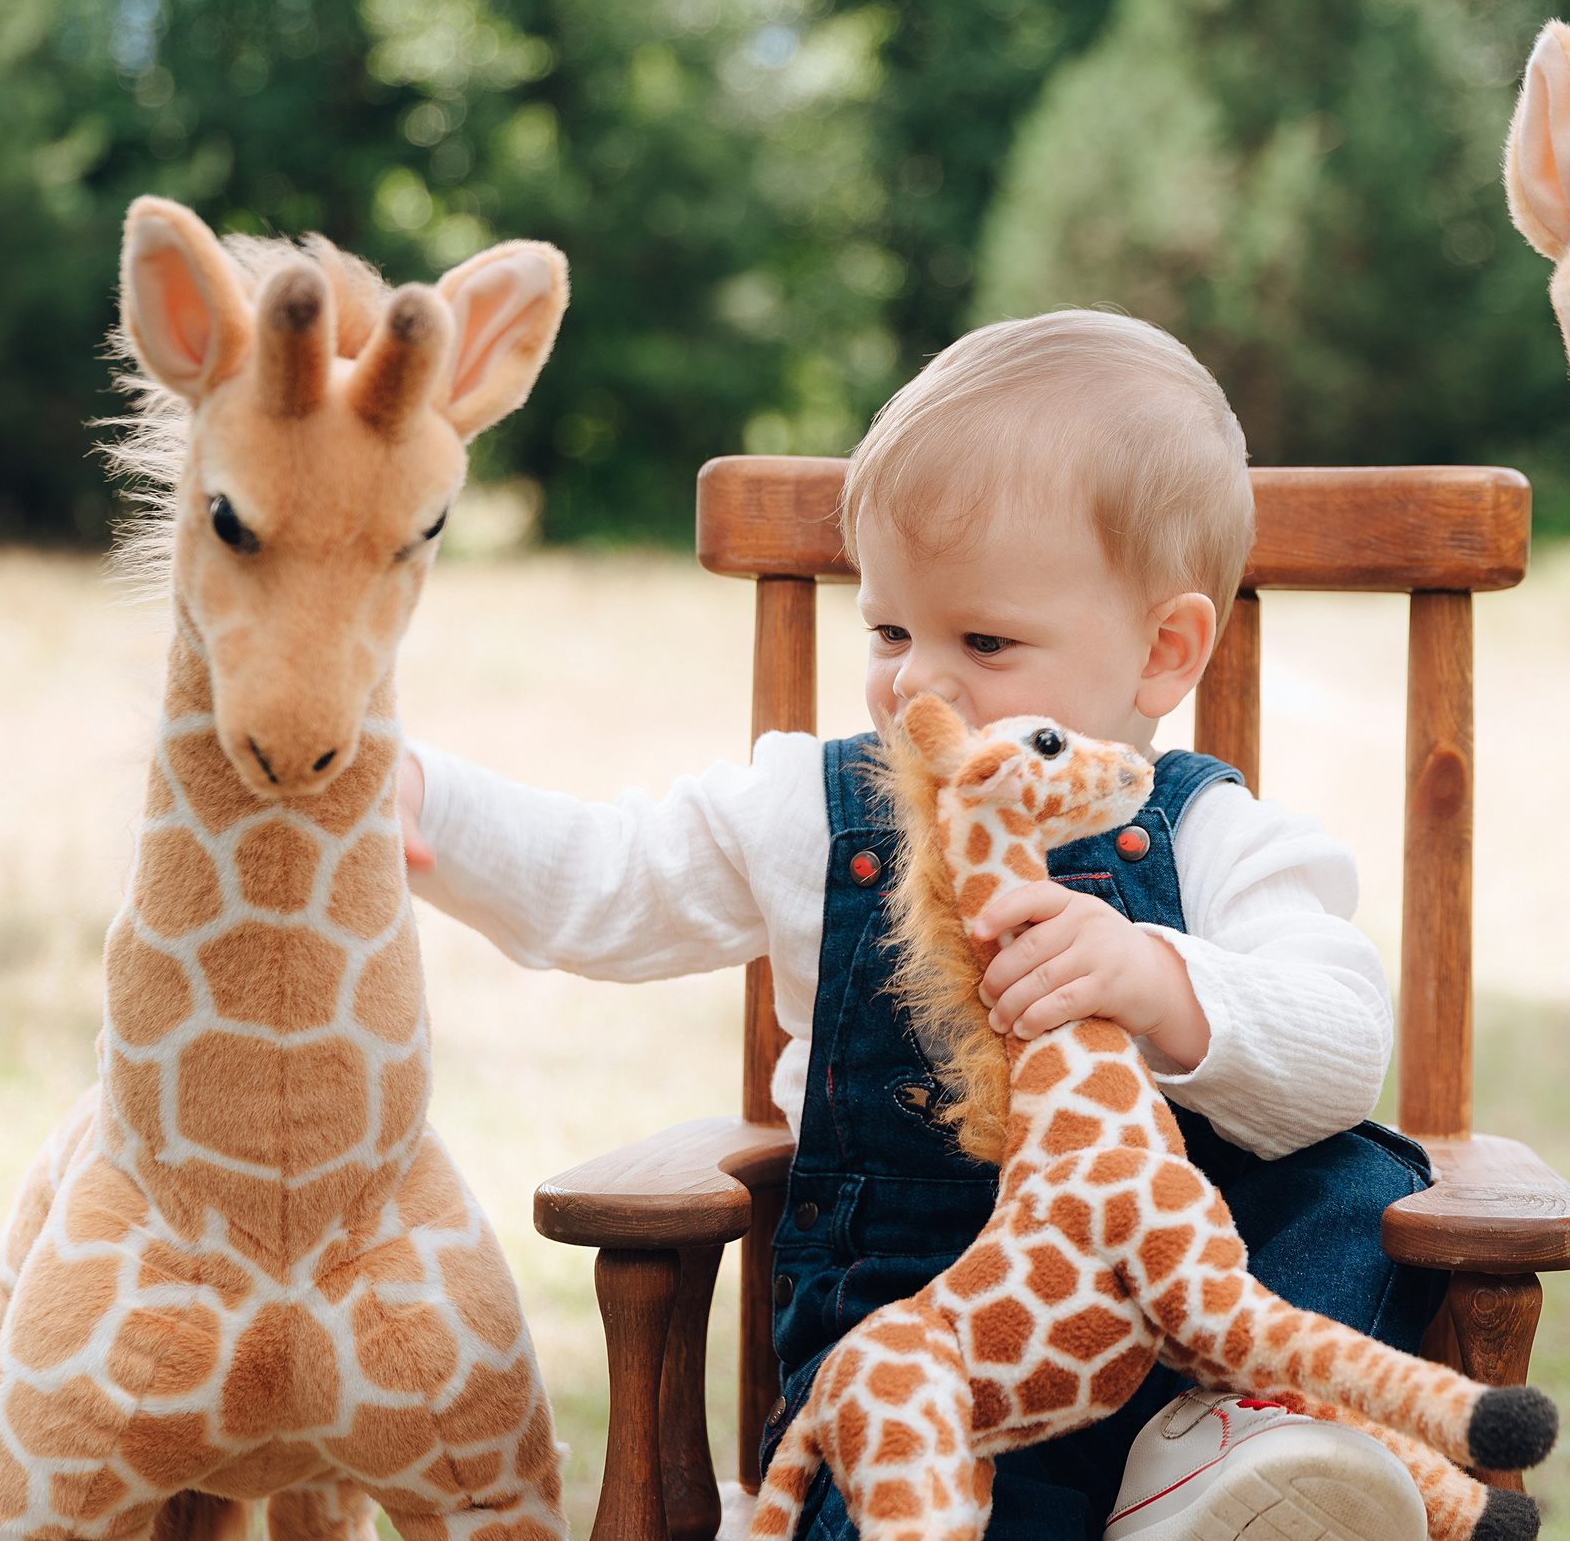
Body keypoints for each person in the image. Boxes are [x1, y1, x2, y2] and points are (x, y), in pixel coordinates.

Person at [398, 309, 1444, 1541]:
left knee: (1356, 1172)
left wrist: (1163, 980)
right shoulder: (814, 807)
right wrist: (425, 800)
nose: (914, 683)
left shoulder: (1213, 836)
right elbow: (608, 873)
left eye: (984, 641)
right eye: (890, 630)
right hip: (934, 1376)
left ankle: (1240, 1445)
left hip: (1189, 1371)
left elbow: (1338, 1042)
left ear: (1164, 651)